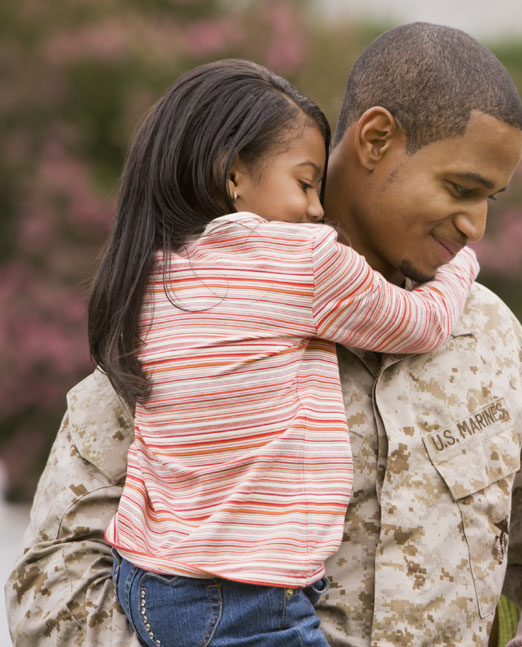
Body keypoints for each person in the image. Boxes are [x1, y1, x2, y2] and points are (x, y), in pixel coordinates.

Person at [6, 23, 522, 647]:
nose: (477, 225)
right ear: (377, 138)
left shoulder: (488, 333)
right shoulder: (193, 308)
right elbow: (49, 588)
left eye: (491, 197)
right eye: (461, 189)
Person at [90, 58, 482, 646]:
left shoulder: (153, 274)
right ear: (233, 175)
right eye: (304, 183)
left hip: (146, 579)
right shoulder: (302, 262)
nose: (318, 209)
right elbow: (420, 324)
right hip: (244, 595)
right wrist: (462, 266)